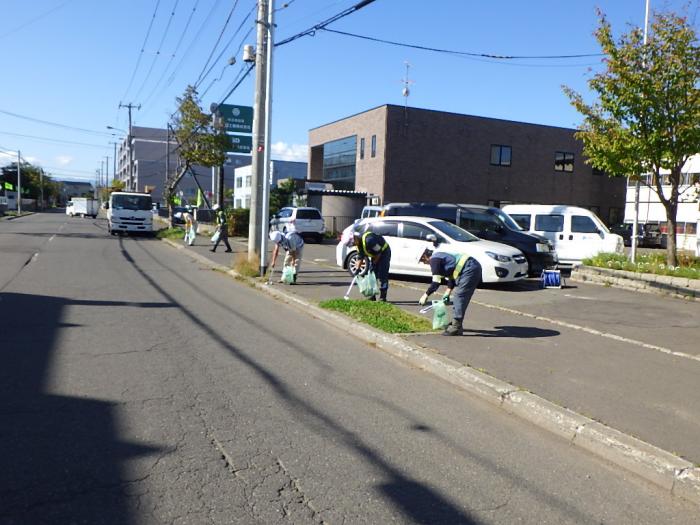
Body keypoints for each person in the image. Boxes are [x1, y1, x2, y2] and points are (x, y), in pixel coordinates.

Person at [418, 248, 481, 336]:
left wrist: (425, 295)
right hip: (470, 267)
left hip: (469, 268)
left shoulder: (434, 260)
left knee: (460, 297)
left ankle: (456, 327)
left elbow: (436, 282)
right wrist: (447, 292)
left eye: (422, 261)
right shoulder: (440, 257)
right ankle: (457, 325)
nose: (424, 263)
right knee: (459, 297)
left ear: (425, 256)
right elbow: (452, 276)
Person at [352, 226, 391, 301]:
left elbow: (379, 253)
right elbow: (360, 257)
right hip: (376, 254)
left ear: (355, 238)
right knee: (372, 274)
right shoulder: (358, 244)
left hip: (384, 252)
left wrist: (374, 263)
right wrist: (357, 270)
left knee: (382, 274)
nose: (353, 245)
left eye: (353, 243)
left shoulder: (369, 240)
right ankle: (372, 295)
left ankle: (383, 297)